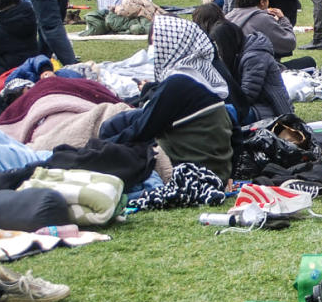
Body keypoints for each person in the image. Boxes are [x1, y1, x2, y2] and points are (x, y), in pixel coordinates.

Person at [98, 15, 234, 183]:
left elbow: (143, 129)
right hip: (216, 164)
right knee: (123, 120)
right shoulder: (200, 73)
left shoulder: (177, 83)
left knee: (115, 129)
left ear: (174, 45)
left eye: (158, 44)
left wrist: (102, 146)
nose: (155, 50)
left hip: (194, 166)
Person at [226, 0, 297, 59]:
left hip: (231, 66)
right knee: (308, 61)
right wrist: (283, 19)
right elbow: (289, 43)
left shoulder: (228, 16)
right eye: (267, 0)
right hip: (255, 66)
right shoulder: (263, 18)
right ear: (262, 2)